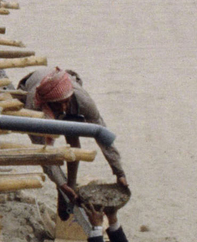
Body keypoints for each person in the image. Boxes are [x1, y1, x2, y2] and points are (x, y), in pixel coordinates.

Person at [19, 67, 129, 218]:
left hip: (66, 97)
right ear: (48, 102)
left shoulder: (81, 99)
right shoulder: (34, 107)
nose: (63, 107)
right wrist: (61, 184)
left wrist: (119, 172)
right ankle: (65, 190)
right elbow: (43, 152)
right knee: (55, 162)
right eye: (59, 104)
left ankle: (72, 183)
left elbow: (103, 136)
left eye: (66, 102)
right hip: (32, 85)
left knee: (72, 133)